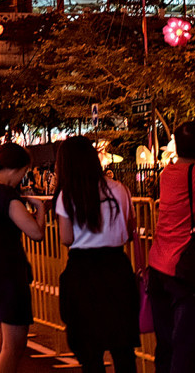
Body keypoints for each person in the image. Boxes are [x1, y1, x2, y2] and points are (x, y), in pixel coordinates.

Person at [55, 136, 139, 373]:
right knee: (122, 347)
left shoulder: (67, 194)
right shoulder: (119, 189)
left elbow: (66, 238)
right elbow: (130, 230)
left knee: (90, 350)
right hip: (116, 268)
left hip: (82, 272)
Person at [144, 121, 195, 373]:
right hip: (187, 270)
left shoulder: (168, 173)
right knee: (188, 347)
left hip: (158, 265)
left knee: (166, 344)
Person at [0, 142, 46, 373]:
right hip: (9, 276)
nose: (21, 179)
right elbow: (36, 233)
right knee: (13, 346)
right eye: (23, 172)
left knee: (0, 341)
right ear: (15, 168)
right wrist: (41, 211)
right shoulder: (7, 196)